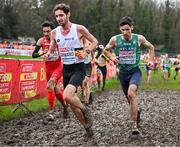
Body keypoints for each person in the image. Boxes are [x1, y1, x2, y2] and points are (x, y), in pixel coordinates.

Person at [47, 3, 98, 139]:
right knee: (71, 103)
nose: (59, 18)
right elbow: (51, 49)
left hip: (78, 68)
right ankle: (87, 128)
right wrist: (48, 53)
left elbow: (94, 42)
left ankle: (85, 109)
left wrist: (86, 50)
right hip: (66, 69)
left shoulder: (79, 29)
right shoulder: (54, 32)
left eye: (61, 15)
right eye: (57, 16)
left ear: (68, 14)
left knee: (67, 96)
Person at [103, 16, 154, 135]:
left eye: (127, 29)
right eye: (122, 30)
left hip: (135, 71)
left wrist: (151, 60)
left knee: (131, 93)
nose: (125, 32)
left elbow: (151, 47)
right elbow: (105, 50)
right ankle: (137, 111)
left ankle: (134, 125)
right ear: (120, 29)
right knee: (129, 99)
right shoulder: (115, 40)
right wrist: (112, 57)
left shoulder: (139, 38)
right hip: (123, 73)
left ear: (132, 28)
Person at [32, 21, 68, 120]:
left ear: (52, 30)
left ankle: (50, 112)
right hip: (48, 68)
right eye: (44, 31)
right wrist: (41, 53)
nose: (46, 34)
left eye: (48, 31)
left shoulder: (58, 39)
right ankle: (65, 106)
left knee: (49, 86)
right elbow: (33, 55)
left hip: (58, 67)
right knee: (55, 90)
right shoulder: (41, 41)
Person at [81, 39, 94, 105]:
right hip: (80, 65)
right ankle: (88, 95)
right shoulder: (77, 42)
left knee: (85, 82)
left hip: (87, 65)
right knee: (84, 84)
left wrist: (93, 58)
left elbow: (92, 52)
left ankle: (86, 100)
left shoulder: (89, 42)